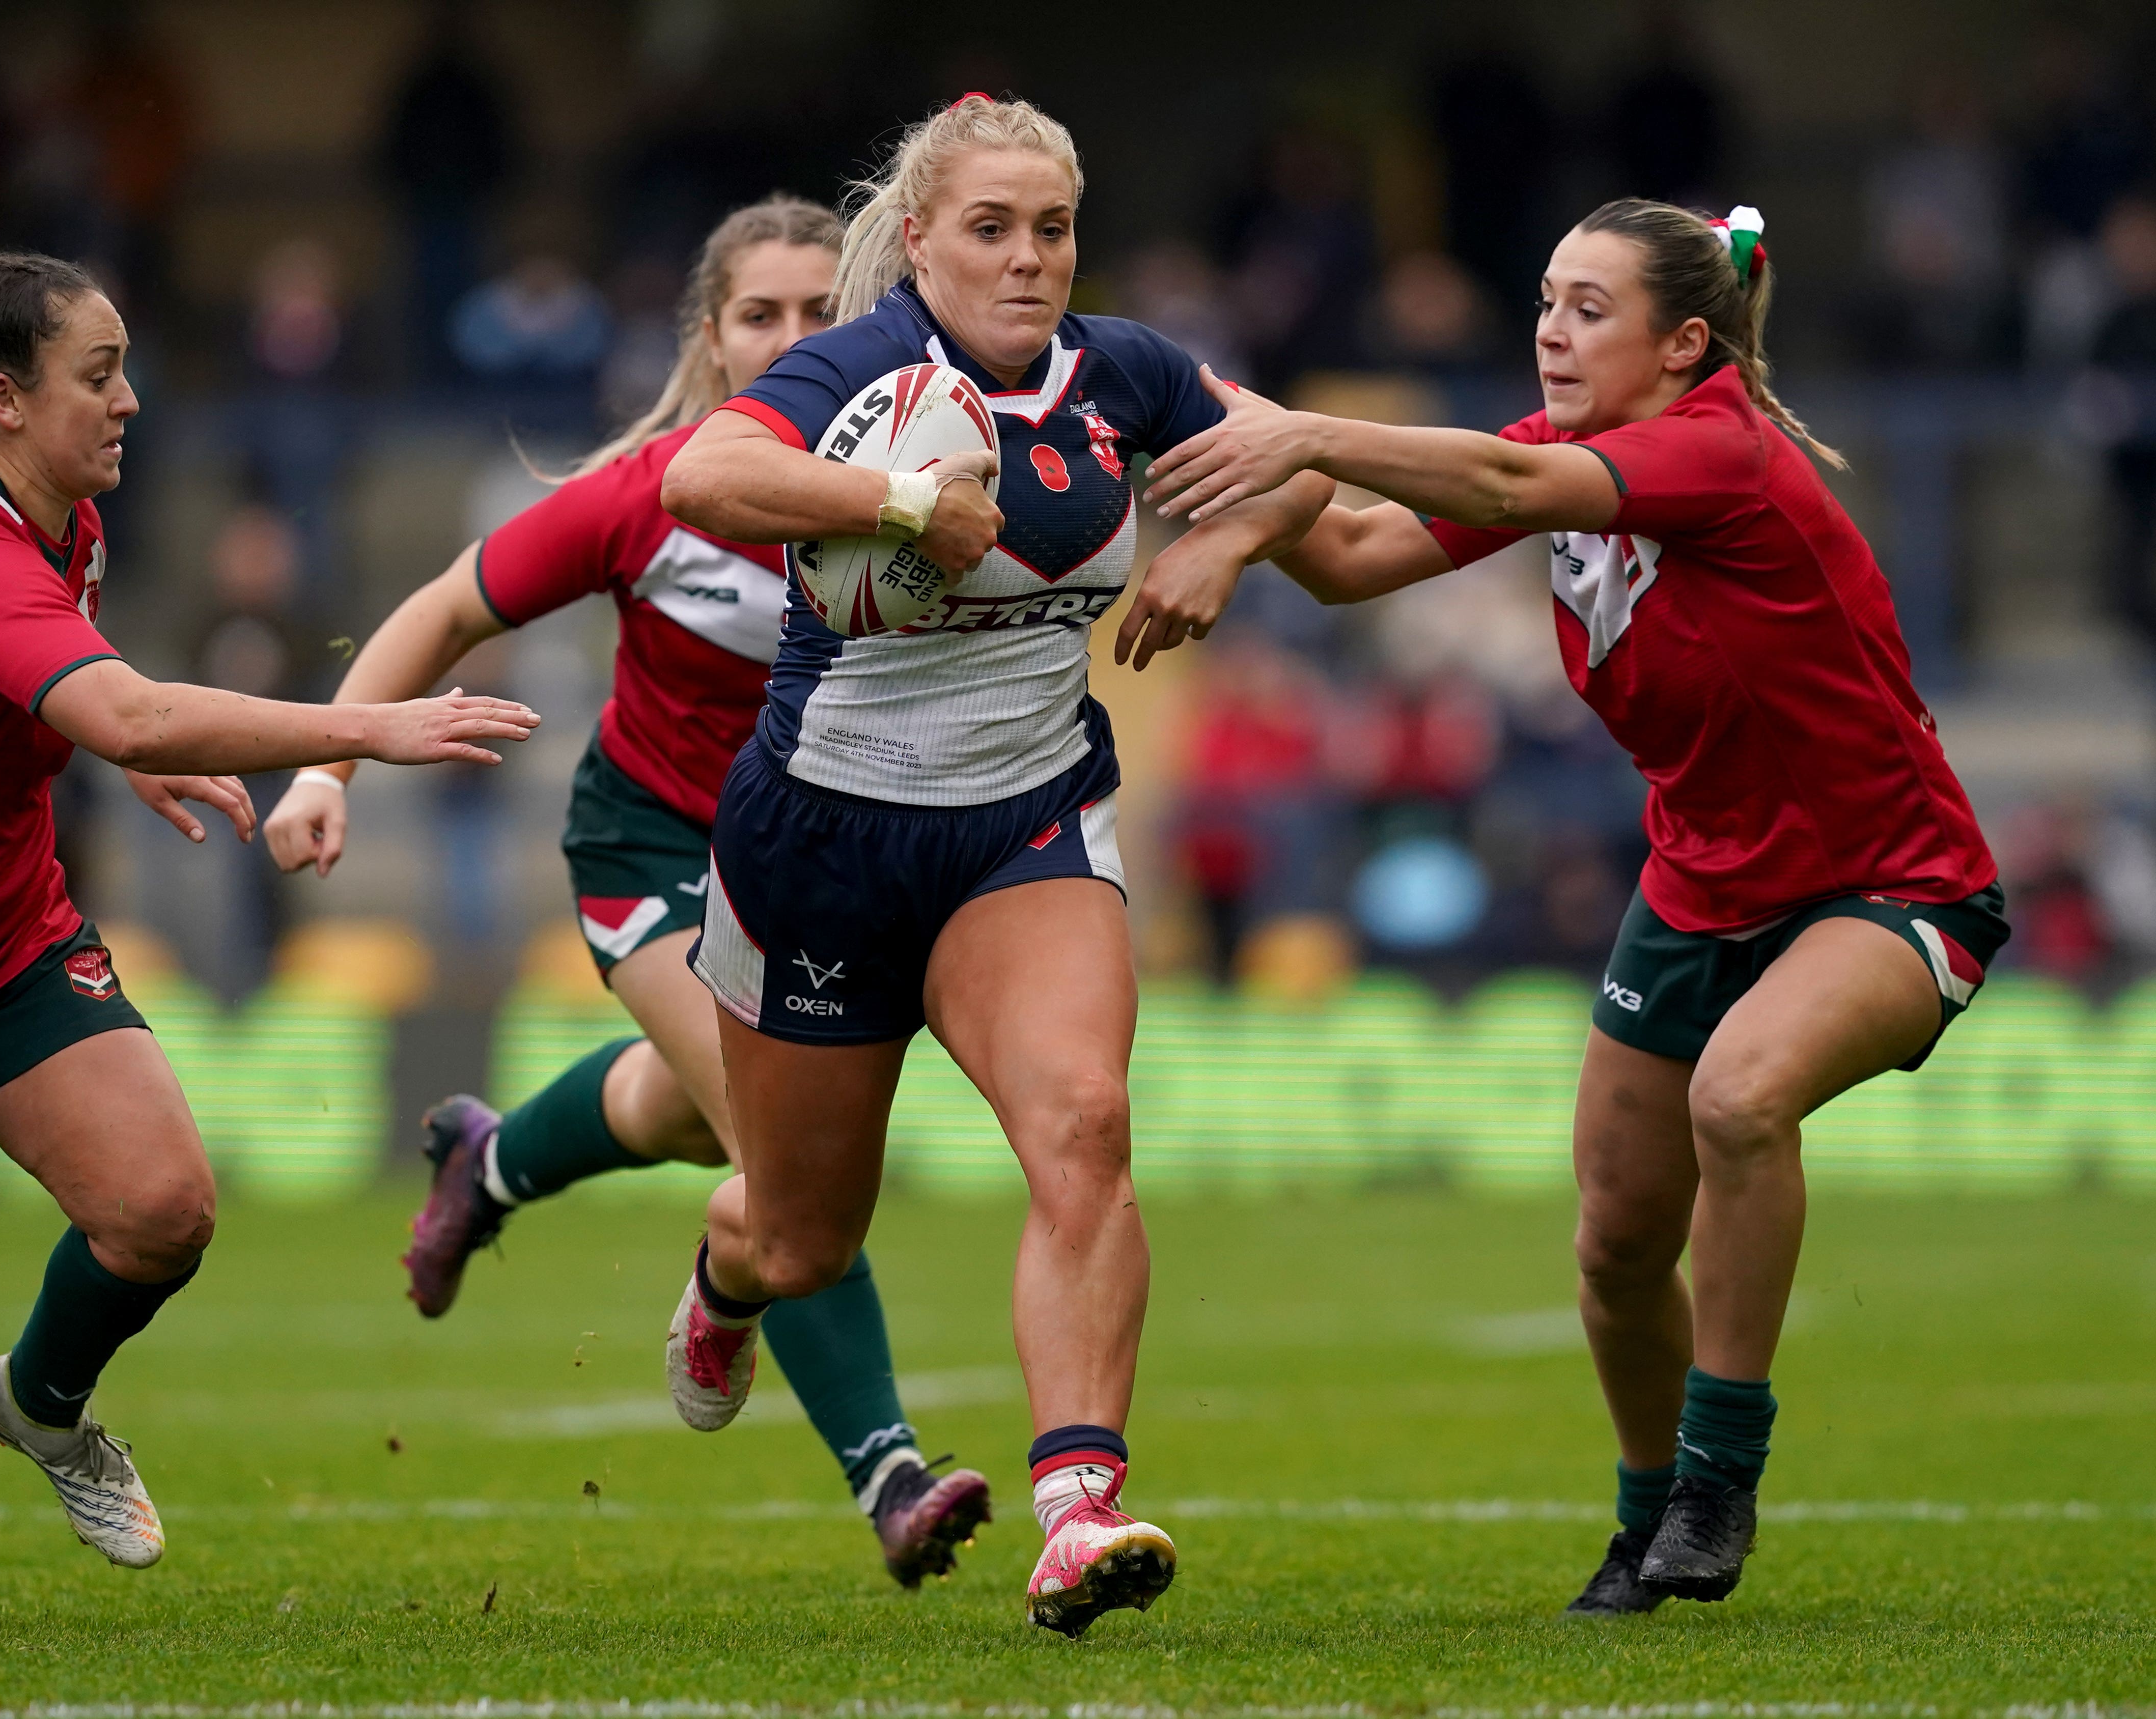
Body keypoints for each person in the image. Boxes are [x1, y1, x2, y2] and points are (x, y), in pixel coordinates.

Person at [1119, 198, 2005, 1613]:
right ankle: (1646, 1521)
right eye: (1543, 298)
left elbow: (1501, 490)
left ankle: (1719, 1479)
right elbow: (1348, 559)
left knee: (1738, 1097)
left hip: (1889, 882)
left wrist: (1298, 433)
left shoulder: (1717, 452)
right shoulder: (1555, 453)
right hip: (1698, 885)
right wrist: (1230, 512)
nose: (1548, 327)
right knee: (1608, 1245)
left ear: (1684, 344)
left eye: (1589, 307)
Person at [0, 241, 539, 1630]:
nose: (132, 400)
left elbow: (50, 697)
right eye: (99, 374)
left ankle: (40, 1405)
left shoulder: (63, 521)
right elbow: (132, 706)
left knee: (162, 1211)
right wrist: (366, 727)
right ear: (4, 400)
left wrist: (103, 742)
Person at [263, 196, 992, 1590]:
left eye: (818, 313)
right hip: (653, 849)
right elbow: (442, 609)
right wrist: (328, 765)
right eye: (759, 315)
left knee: (680, 1103)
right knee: (786, 1167)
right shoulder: (654, 492)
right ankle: (891, 1474)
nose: (791, 338)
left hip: (823, 869)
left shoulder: (928, 485)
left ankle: (500, 1162)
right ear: (710, 342)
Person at [656, 94, 1299, 1637]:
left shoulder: (1123, 368)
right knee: (804, 1229)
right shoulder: (853, 367)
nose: (1028, 260)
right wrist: (898, 503)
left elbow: (1293, 451)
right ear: (923, 241)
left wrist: (1222, 537)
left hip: (1025, 821)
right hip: (820, 837)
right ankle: (724, 1275)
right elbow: (701, 480)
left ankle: (1077, 1508)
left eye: (1052, 228)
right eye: (992, 229)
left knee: (1082, 1122)